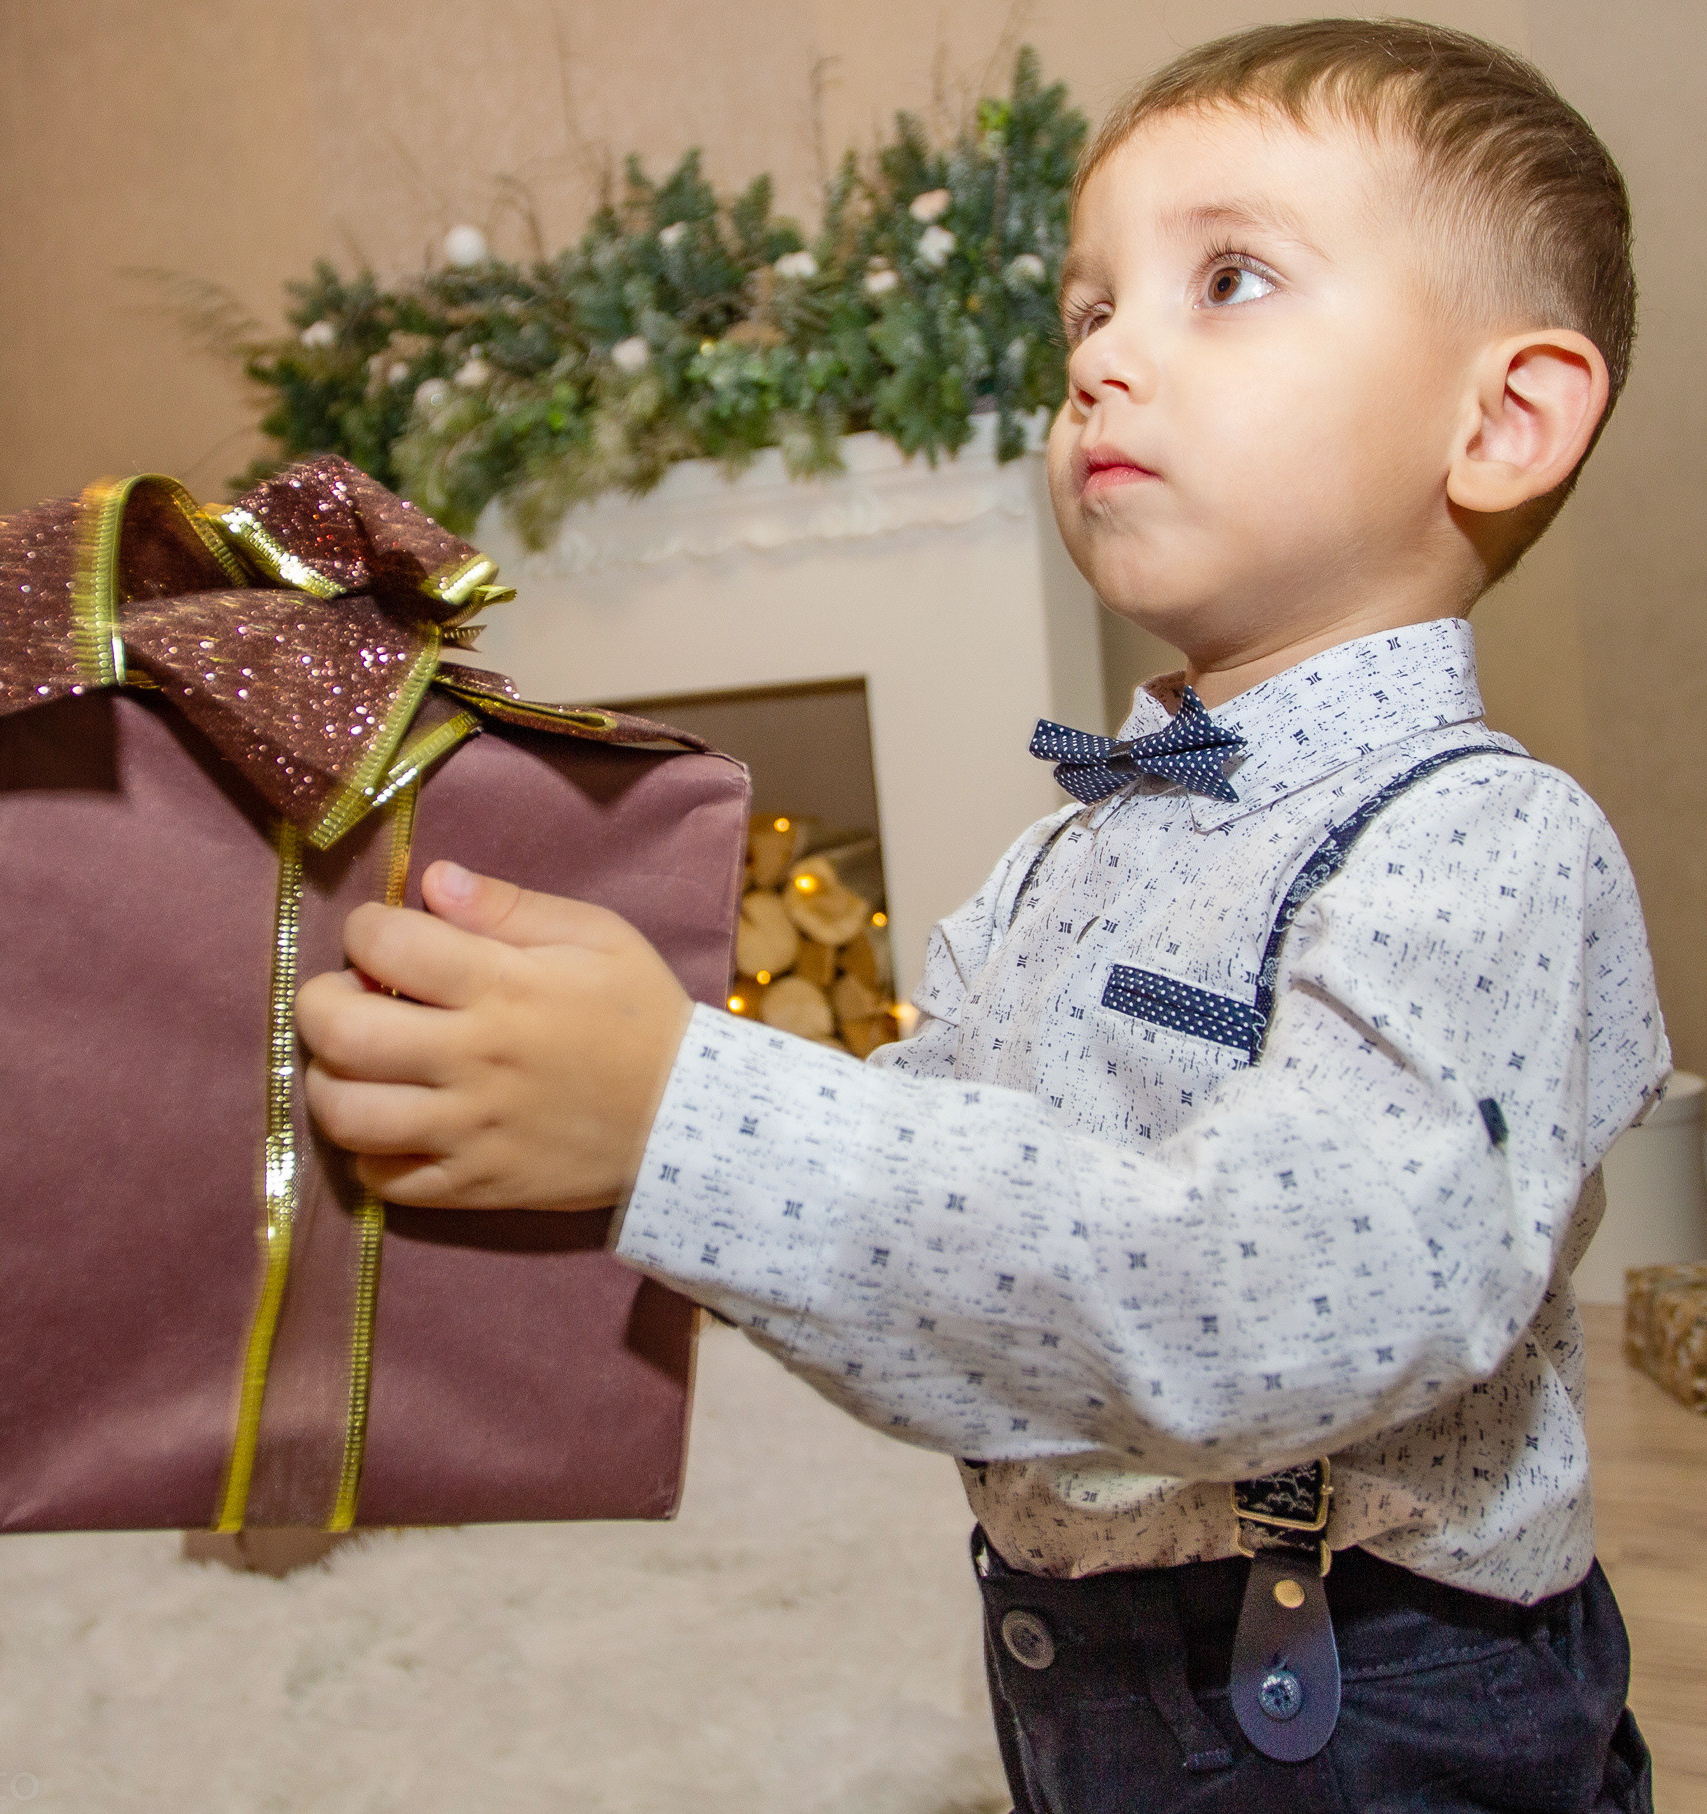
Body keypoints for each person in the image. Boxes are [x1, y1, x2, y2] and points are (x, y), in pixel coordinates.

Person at [296, 19, 1663, 1810]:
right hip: (1084, 1673)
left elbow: (1281, 1293)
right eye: (1087, 311)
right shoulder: (1059, 863)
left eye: (1228, 280)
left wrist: (689, 1120)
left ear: (1502, 419)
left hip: (1363, 1701)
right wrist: (622, 1144)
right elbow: (944, 1218)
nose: (1101, 361)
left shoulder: (1488, 844)